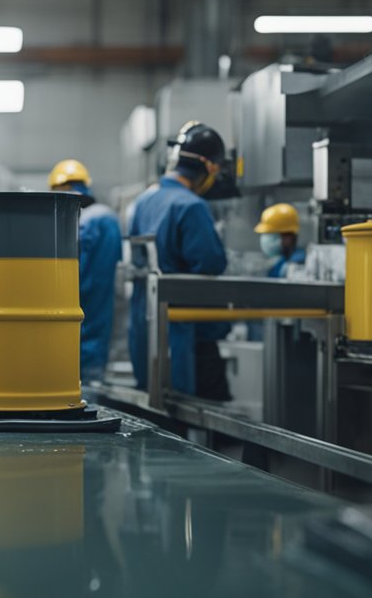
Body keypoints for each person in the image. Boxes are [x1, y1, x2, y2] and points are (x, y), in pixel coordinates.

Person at [127, 121, 231, 400]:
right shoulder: (191, 206)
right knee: (188, 419)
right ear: (209, 167)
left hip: (143, 326)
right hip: (182, 333)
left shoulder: (143, 201)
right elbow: (210, 263)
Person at [48, 159, 122, 384]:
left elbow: (70, 269)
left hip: (77, 305)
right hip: (104, 306)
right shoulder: (107, 217)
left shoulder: (80, 221)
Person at [254, 203, 305, 278]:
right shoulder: (282, 261)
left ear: (287, 237)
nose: (265, 240)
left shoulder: (298, 263)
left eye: (270, 235)